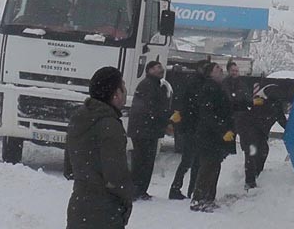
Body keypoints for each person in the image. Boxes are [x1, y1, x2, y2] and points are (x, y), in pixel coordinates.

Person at [65, 66, 133, 229]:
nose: (125, 91)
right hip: (104, 213)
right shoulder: (109, 125)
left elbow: (69, 169)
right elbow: (116, 177)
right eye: (123, 86)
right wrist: (126, 199)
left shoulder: (80, 118)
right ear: (116, 94)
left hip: (78, 207)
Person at [190, 63, 237, 212]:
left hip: (215, 136)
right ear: (210, 73)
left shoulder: (218, 88)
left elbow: (227, 108)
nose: (221, 70)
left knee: (214, 166)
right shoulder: (208, 88)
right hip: (209, 136)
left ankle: (209, 197)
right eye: (217, 69)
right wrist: (222, 130)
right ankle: (198, 199)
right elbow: (208, 114)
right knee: (208, 167)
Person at [127, 60, 171, 201]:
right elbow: (150, 108)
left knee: (147, 161)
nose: (161, 70)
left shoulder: (157, 85)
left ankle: (140, 190)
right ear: (150, 70)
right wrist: (164, 119)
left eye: (161, 68)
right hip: (143, 130)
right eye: (158, 68)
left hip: (148, 130)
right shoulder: (148, 85)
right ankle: (135, 190)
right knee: (141, 161)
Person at [168, 61, 209, 200]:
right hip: (193, 127)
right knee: (189, 160)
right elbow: (193, 105)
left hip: (192, 127)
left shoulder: (194, 82)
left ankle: (187, 188)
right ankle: (181, 188)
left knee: (191, 160)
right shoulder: (197, 84)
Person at [235, 83, 288, 189]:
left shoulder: (274, 104)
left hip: (259, 131)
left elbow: (282, 120)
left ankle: (256, 175)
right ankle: (250, 182)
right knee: (252, 152)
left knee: (263, 151)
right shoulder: (261, 103)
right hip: (248, 128)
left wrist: (291, 129)